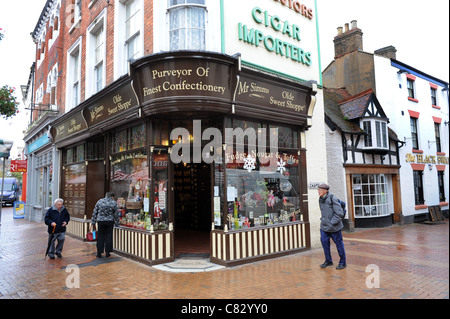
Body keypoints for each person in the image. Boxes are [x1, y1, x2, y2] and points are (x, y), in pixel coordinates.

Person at [317, 183, 347, 270]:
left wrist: (331, 223)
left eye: (320, 190)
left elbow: (339, 213)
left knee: (339, 245)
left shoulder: (332, 198)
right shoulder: (320, 199)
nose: (318, 192)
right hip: (324, 227)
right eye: (318, 190)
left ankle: (342, 262)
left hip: (334, 227)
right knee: (324, 243)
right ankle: (328, 261)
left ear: (325, 191)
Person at [91, 192, 119, 258]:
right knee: (108, 236)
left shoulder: (99, 201)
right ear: (112, 196)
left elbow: (95, 212)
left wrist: (93, 221)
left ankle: (99, 253)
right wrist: (117, 223)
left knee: (100, 236)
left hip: (100, 221)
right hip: (110, 221)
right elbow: (116, 214)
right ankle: (107, 252)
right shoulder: (113, 202)